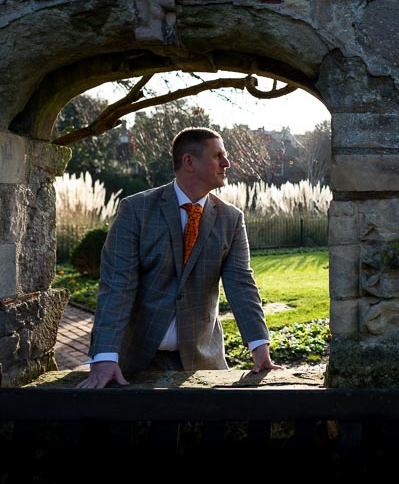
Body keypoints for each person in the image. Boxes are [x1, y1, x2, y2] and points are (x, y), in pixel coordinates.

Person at [77, 127, 282, 388]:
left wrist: (259, 346)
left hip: (202, 362)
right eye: (218, 155)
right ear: (189, 162)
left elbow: (241, 284)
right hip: (136, 362)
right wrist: (105, 355)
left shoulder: (231, 219)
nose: (226, 163)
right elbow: (117, 285)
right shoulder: (136, 210)